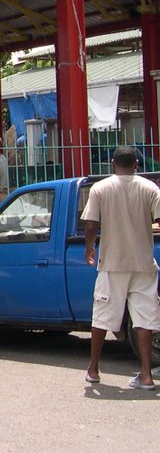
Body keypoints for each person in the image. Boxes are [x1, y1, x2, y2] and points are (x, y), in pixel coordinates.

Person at [81, 145, 160, 389]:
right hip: (143, 263)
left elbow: (91, 225)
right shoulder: (150, 188)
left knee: (103, 316)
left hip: (112, 263)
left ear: (112, 163)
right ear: (137, 164)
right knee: (144, 318)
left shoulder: (100, 188)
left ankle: (93, 370)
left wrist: (90, 248)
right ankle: (146, 376)